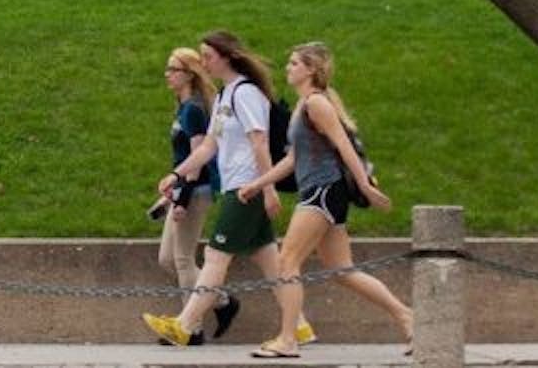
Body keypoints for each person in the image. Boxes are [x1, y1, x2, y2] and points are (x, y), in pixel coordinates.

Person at [236, 43, 410, 359]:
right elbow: (292, 159)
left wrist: (366, 186)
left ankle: (288, 339)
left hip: (323, 191)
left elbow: (344, 146)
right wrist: (258, 184)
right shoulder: (304, 106)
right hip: (321, 191)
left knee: (287, 261)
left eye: (293, 63)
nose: (287, 68)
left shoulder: (316, 103)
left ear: (310, 70)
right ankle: (409, 318)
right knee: (341, 270)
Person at [144, 31, 314, 350]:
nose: (204, 62)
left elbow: (259, 141)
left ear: (226, 57)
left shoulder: (246, 94)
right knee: (270, 261)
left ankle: (185, 324)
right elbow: (210, 145)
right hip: (240, 185)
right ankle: (300, 326)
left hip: (247, 187)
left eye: (208, 56)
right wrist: (176, 174)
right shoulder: (224, 96)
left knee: (215, 256)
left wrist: (267, 189)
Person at [157, 48, 221, 320]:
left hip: (195, 190)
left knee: (183, 259)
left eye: (174, 69)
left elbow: (198, 159)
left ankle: (189, 328)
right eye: (168, 68)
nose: (167, 74)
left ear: (190, 74)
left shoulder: (194, 110)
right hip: (183, 188)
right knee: (167, 259)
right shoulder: (184, 107)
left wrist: (182, 199)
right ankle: (221, 301)